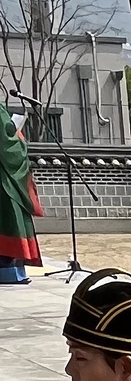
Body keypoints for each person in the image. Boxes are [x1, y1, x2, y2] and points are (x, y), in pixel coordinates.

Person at [0, 103, 42, 280]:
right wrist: (18, 137)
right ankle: (8, 271)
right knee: (10, 217)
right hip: (3, 178)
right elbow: (7, 144)